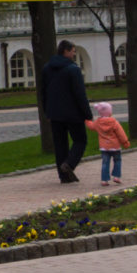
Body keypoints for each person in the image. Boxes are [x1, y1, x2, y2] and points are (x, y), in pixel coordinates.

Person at [41, 39, 93, 182]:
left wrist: (47, 111)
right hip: (73, 113)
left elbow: (43, 92)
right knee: (80, 140)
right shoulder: (73, 69)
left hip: (54, 113)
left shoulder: (47, 68)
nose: (75, 53)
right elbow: (80, 93)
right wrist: (87, 114)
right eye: (73, 51)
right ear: (66, 51)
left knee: (60, 144)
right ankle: (69, 164)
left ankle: (64, 176)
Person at [85, 102, 130, 185]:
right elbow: (121, 133)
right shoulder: (114, 122)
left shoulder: (98, 122)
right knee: (117, 160)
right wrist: (125, 142)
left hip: (104, 147)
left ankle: (104, 180)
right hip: (115, 146)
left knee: (105, 163)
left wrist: (88, 121)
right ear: (110, 112)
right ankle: (116, 176)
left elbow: (91, 127)